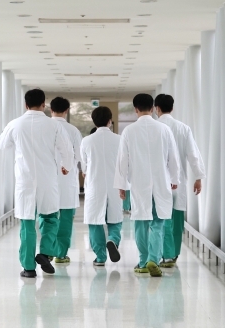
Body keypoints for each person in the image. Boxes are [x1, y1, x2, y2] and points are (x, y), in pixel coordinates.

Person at [0, 88, 73, 278]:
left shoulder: (15, 124)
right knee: (49, 218)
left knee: (27, 224)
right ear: (44, 104)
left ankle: (28, 268)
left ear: (25, 104)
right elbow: (67, 149)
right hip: (48, 179)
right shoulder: (53, 126)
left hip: (25, 180)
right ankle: (45, 252)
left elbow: (2, 144)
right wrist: (67, 166)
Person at [113, 93, 180, 277]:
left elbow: (122, 160)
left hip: (139, 184)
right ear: (153, 109)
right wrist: (174, 179)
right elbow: (173, 158)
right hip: (161, 182)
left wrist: (121, 184)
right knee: (158, 223)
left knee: (141, 222)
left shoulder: (129, 131)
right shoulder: (164, 129)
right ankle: (153, 258)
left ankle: (143, 262)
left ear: (135, 109)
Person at [154, 94, 206, 268]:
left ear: (157, 109)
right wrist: (198, 177)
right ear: (172, 108)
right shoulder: (183, 128)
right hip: (179, 182)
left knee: (161, 219)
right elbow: (193, 155)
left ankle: (165, 253)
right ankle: (174, 253)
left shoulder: (155, 128)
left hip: (159, 182)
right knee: (176, 219)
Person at [81, 106, 123, 266]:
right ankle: (112, 239)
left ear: (94, 121)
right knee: (115, 219)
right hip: (115, 185)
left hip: (94, 185)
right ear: (110, 121)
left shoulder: (86, 141)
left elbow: (84, 168)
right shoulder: (119, 140)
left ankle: (100, 257)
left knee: (95, 221)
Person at [50, 97, 82, 264]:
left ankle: (48, 250)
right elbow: (79, 155)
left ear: (50, 109)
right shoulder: (73, 130)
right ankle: (61, 254)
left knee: (47, 217)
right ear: (67, 110)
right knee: (65, 219)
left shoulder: (44, 127)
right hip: (67, 179)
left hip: (47, 180)